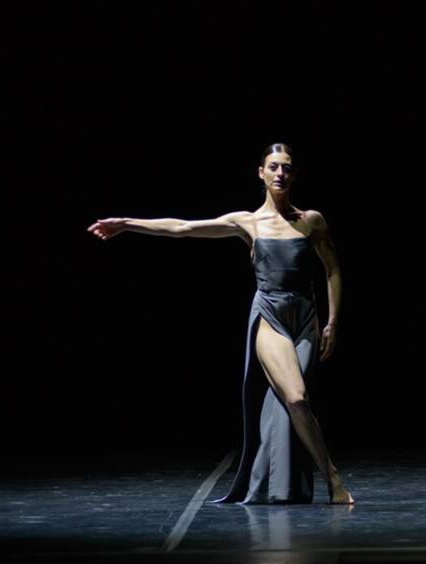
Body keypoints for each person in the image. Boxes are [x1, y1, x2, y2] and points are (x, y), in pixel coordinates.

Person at [87, 143, 354, 504]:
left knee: (293, 405)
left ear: (295, 174)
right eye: (273, 167)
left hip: (305, 316)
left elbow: (333, 270)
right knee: (296, 397)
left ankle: (286, 483)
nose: (280, 173)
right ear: (260, 173)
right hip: (270, 315)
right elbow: (183, 228)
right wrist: (127, 224)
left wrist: (333, 322)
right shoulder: (248, 222)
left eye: (287, 168)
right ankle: (333, 480)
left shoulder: (312, 220)